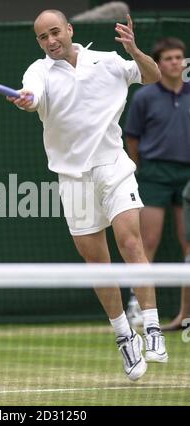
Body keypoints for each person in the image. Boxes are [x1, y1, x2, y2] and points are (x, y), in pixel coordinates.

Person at [7, 9, 168, 381]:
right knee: (97, 263)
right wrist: (27, 100)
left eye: (55, 32)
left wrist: (135, 50)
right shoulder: (38, 71)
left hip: (113, 165)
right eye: (43, 37)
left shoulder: (108, 61)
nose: (51, 41)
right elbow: (32, 96)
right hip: (72, 179)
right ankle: (124, 338)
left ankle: (153, 327)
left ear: (69, 30)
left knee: (131, 243)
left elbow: (152, 76)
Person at [125, 37, 190, 331]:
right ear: (159, 63)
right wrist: (140, 169)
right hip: (154, 174)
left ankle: (185, 315)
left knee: (188, 243)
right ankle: (138, 309)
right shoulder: (145, 96)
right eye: (169, 58)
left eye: (180, 57)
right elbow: (133, 139)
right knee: (146, 242)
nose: (175, 62)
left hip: (187, 176)